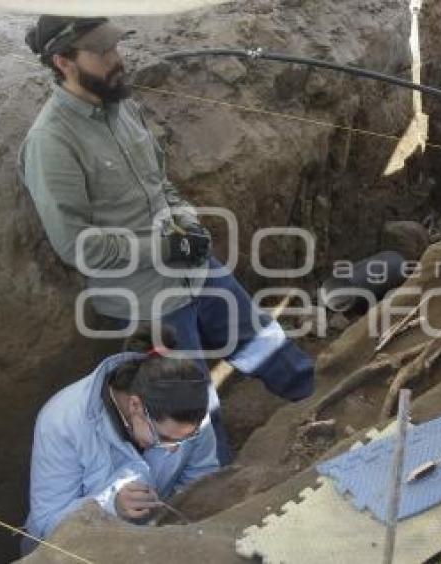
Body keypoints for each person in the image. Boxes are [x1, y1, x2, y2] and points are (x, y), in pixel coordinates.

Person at [17, 16, 315, 464]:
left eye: (115, 48)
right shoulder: (51, 141)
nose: (117, 60)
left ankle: (316, 400)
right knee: (191, 398)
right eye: (102, 54)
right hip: (147, 302)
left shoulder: (121, 107)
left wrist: (185, 220)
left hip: (193, 267)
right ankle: (218, 484)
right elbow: (77, 246)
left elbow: (162, 185)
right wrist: (161, 247)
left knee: (261, 337)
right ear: (63, 62)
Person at [23, 326, 218, 551]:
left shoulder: (192, 410)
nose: (174, 450)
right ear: (136, 405)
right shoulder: (62, 422)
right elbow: (46, 525)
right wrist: (110, 506)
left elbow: (202, 486)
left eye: (188, 438)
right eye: (164, 438)